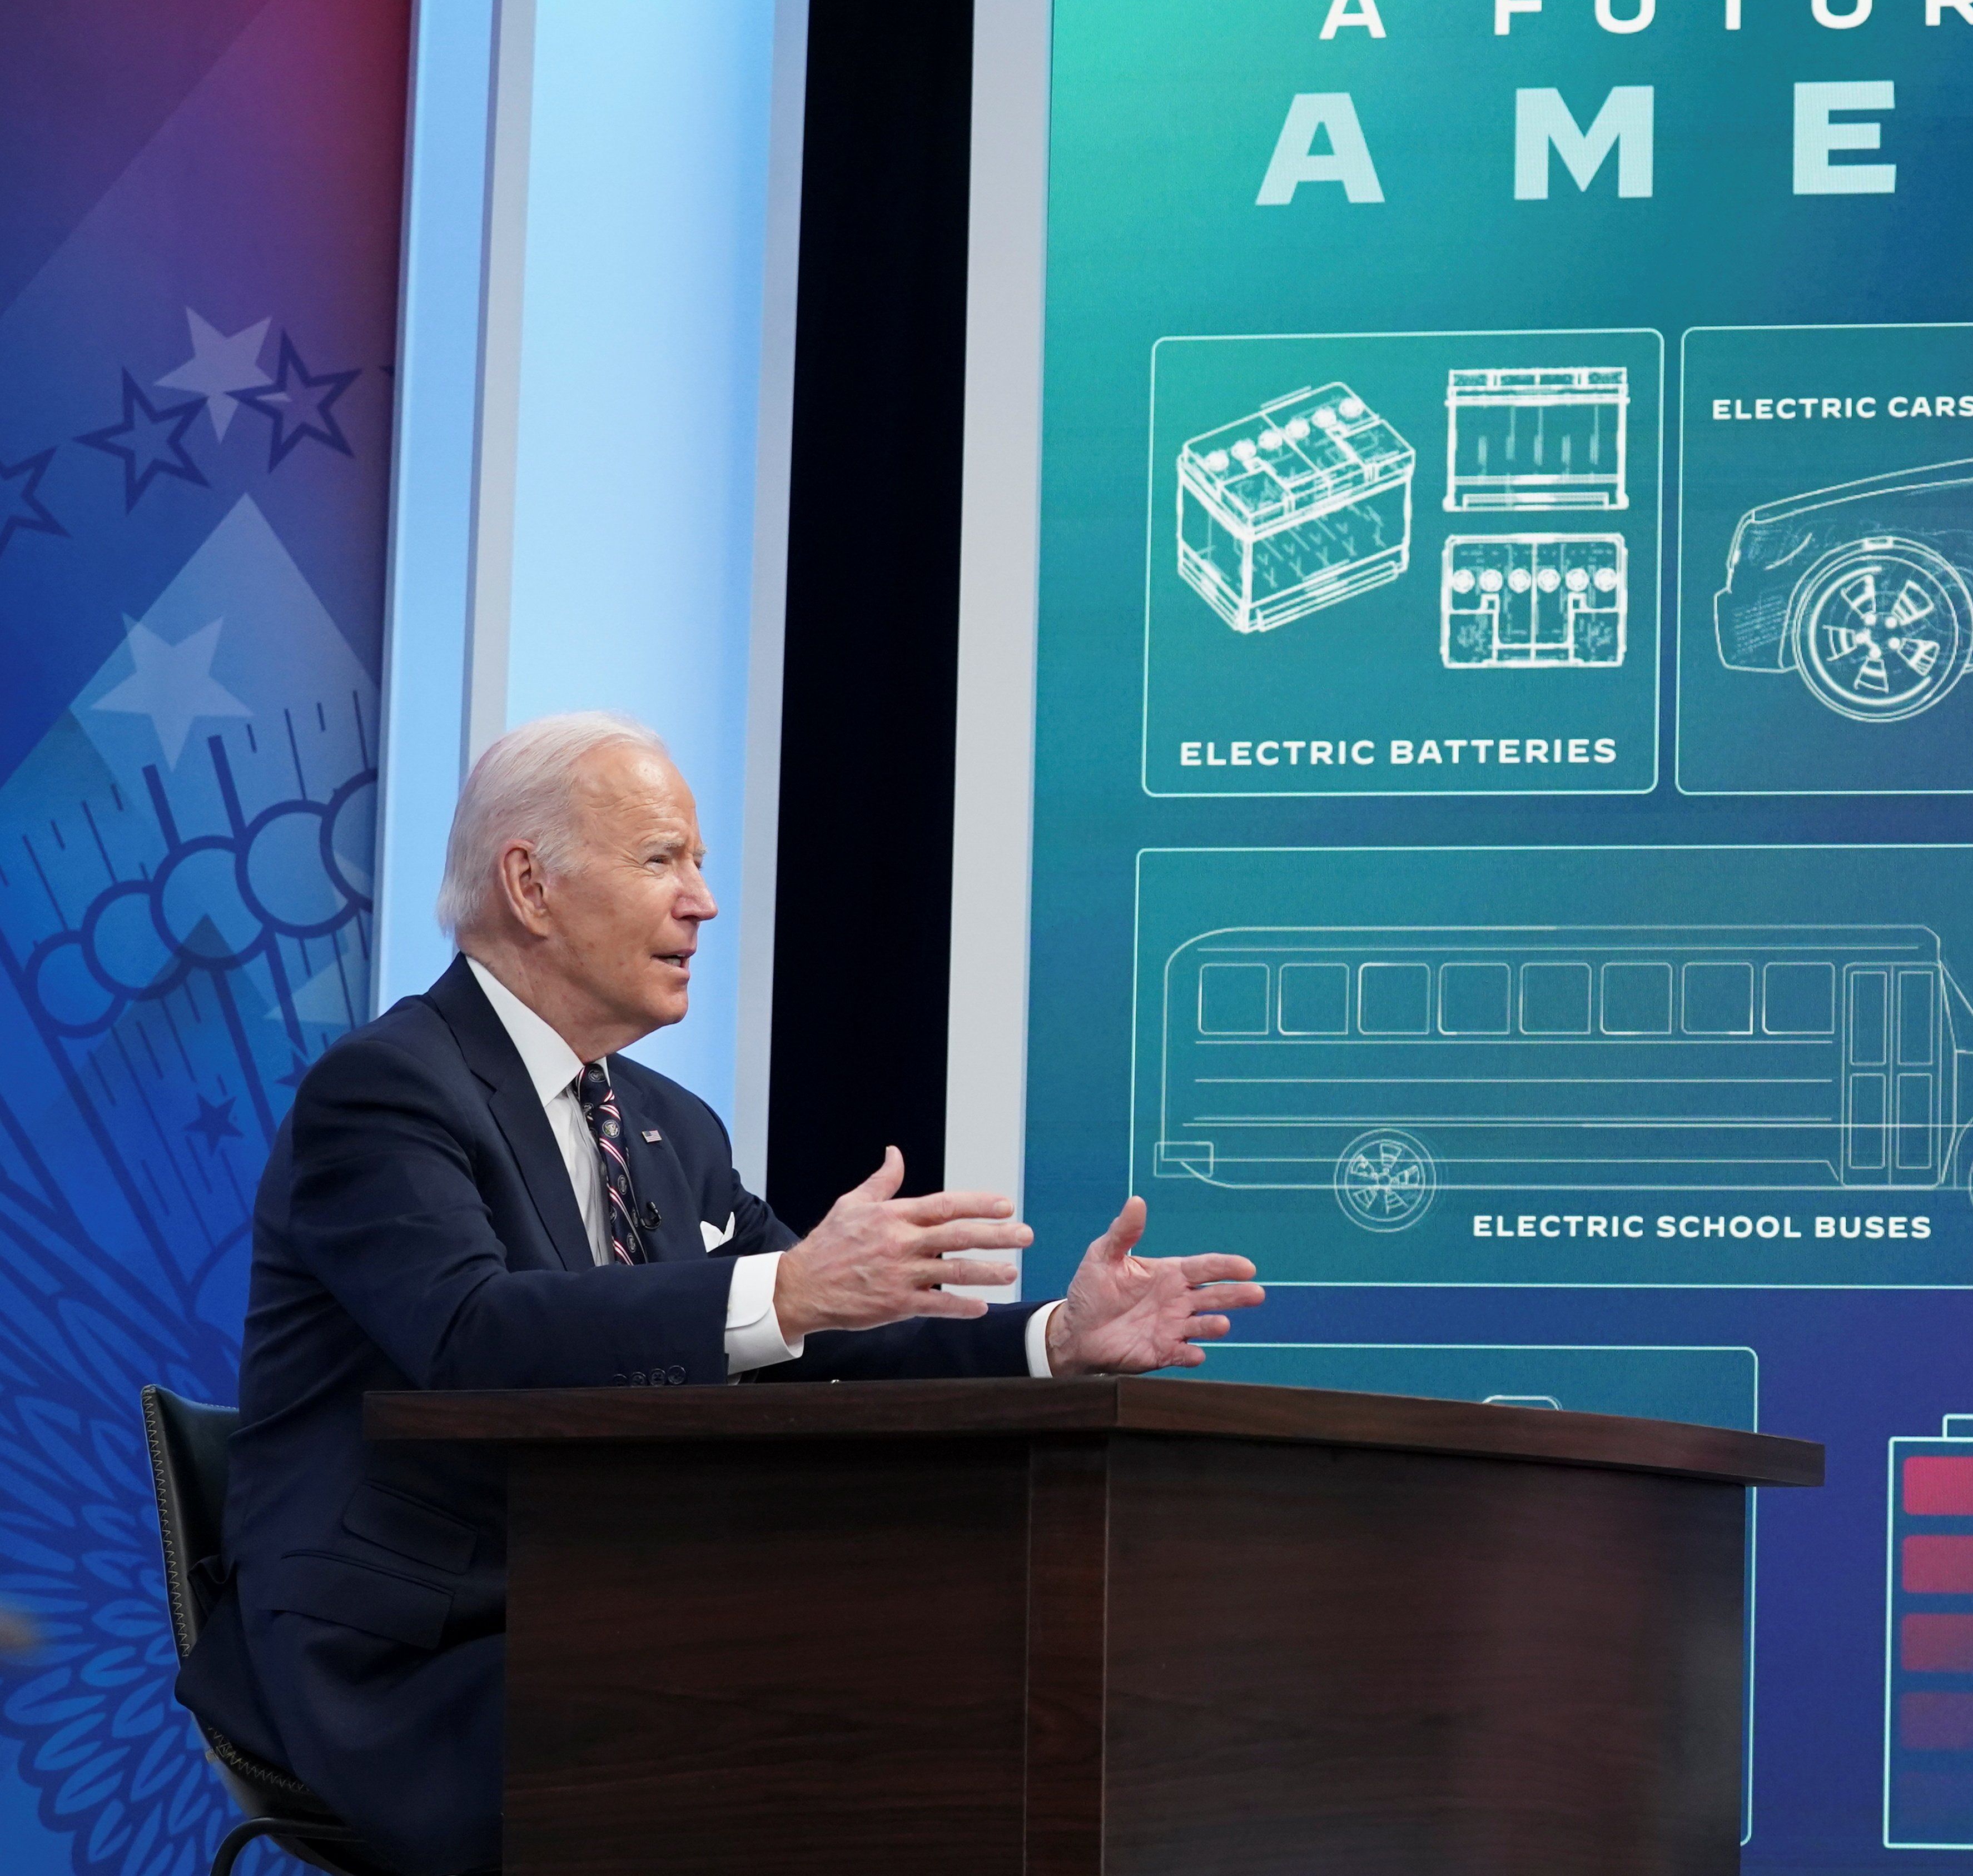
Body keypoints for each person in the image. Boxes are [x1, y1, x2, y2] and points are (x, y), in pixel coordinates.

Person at [176, 712, 1261, 1876]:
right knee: (798, 1740)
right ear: (530, 884)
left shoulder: (667, 1124)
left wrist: (1054, 1338)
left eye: (698, 863)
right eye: (662, 860)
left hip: (615, 1618)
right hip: (413, 1656)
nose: (702, 901)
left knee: (912, 1702)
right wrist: (788, 1289)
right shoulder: (386, 1091)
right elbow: (469, 1332)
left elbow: (820, 1337)